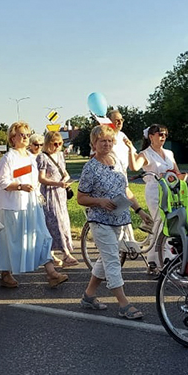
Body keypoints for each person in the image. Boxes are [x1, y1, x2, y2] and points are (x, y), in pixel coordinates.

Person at [77, 125, 152, 319]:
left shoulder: (116, 161)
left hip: (119, 219)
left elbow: (125, 190)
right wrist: (99, 201)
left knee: (106, 258)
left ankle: (88, 296)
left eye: (110, 141)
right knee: (112, 260)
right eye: (103, 141)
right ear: (94, 144)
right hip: (100, 220)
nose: (107, 144)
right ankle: (123, 304)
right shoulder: (90, 167)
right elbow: (81, 197)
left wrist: (140, 211)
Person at [0, 121, 68, 289]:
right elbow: (2, 182)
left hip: (32, 203)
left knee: (42, 236)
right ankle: (5, 274)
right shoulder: (7, 158)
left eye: (28, 135)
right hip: (13, 205)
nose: (26, 138)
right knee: (12, 241)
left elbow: (34, 179)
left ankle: (51, 274)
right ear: (13, 138)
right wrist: (20, 186)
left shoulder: (30, 157)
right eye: (22, 135)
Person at [126, 124, 185, 270]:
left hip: (171, 192)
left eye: (165, 134)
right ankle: (164, 259)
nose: (163, 137)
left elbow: (177, 172)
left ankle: (153, 259)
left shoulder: (169, 153)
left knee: (167, 224)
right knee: (162, 222)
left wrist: (182, 178)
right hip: (155, 192)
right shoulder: (146, 154)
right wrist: (129, 150)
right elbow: (134, 167)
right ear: (151, 137)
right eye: (160, 134)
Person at [37, 130, 78, 267]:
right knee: (54, 222)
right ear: (48, 143)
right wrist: (57, 183)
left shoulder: (60, 156)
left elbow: (65, 172)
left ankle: (57, 252)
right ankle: (64, 253)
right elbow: (41, 178)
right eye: (55, 144)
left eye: (60, 143)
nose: (58, 146)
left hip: (60, 193)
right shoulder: (43, 157)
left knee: (64, 222)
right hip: (49, 193)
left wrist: (65, 180)